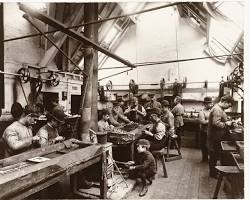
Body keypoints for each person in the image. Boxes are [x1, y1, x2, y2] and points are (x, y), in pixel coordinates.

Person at [207, 95, 235, 178]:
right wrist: (226, 124)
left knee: (214, 154)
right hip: (215, 136)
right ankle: (212, 173)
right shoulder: (217, 109)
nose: (228, 108)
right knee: (214, 155)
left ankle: (214, 171)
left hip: (217, 136)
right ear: (225, 102)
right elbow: (216, 123)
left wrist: (229, 120)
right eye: (228, 106)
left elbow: (222, 118)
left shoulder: (220, 109)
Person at [199, 96, 213, 162]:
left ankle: (209, 158)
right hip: (204, 131)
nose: (210, 105)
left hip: (210, 131)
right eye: (208, 103)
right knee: (204, 145)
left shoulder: (211, 111)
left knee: (209, 145)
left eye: (210, 103)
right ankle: (204, 159)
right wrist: (211, 121)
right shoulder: (202, 112)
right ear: (205, 104)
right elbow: (202, 122)